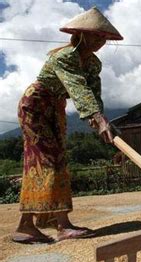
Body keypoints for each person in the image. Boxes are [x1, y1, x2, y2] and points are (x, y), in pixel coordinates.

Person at [12, 7, 122, 243]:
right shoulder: (65, 57)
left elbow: (93, 92)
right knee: (49, 160)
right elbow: (78, 88)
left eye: (103, 37)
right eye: (95, 36)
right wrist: (95, 116)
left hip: (56, 108)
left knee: (52, 159)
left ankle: (26, 226)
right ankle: (62, 226)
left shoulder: (93, 64)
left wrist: (101, 119)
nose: (100, 41)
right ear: (81, 34)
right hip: (35, 106)